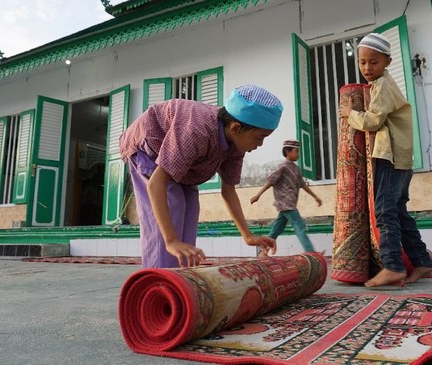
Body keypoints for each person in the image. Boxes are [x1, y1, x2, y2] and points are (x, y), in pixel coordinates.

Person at [119, 84, 283, 268]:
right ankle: (159, 283)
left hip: (184, 166)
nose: (260, 144)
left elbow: (228, 191)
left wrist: (247, 235)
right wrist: (171, 240)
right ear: (236, 128)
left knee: (190, 208)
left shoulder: (236, 147)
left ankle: (182, 280)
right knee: (173, 204)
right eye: (260, 137)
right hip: (148, 148)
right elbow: (156, 184)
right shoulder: (197, 130)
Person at [338, 33, 432, 287]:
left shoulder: (381, 86)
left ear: (387, 62)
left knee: (384, 211)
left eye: (374, 62)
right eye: (362, 62)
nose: (367, 68)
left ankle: (392, 266)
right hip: (400, 159)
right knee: (399, 212)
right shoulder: (384, 85)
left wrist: (350, 114)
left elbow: (373, 121)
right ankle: (422, 261)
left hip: (389, 158)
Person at [250, 139, 323, 256]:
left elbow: (303, 185)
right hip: (285, 203)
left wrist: (315, 197)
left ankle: (263, 252)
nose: (298, 154)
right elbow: (271, 181)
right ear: (288, 152)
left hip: (289, 204)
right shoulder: (282, 167)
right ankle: (310, 252)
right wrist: (258, 195)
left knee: (276, 230)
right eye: (296, 151)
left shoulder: (295, 169)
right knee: (299, 226)